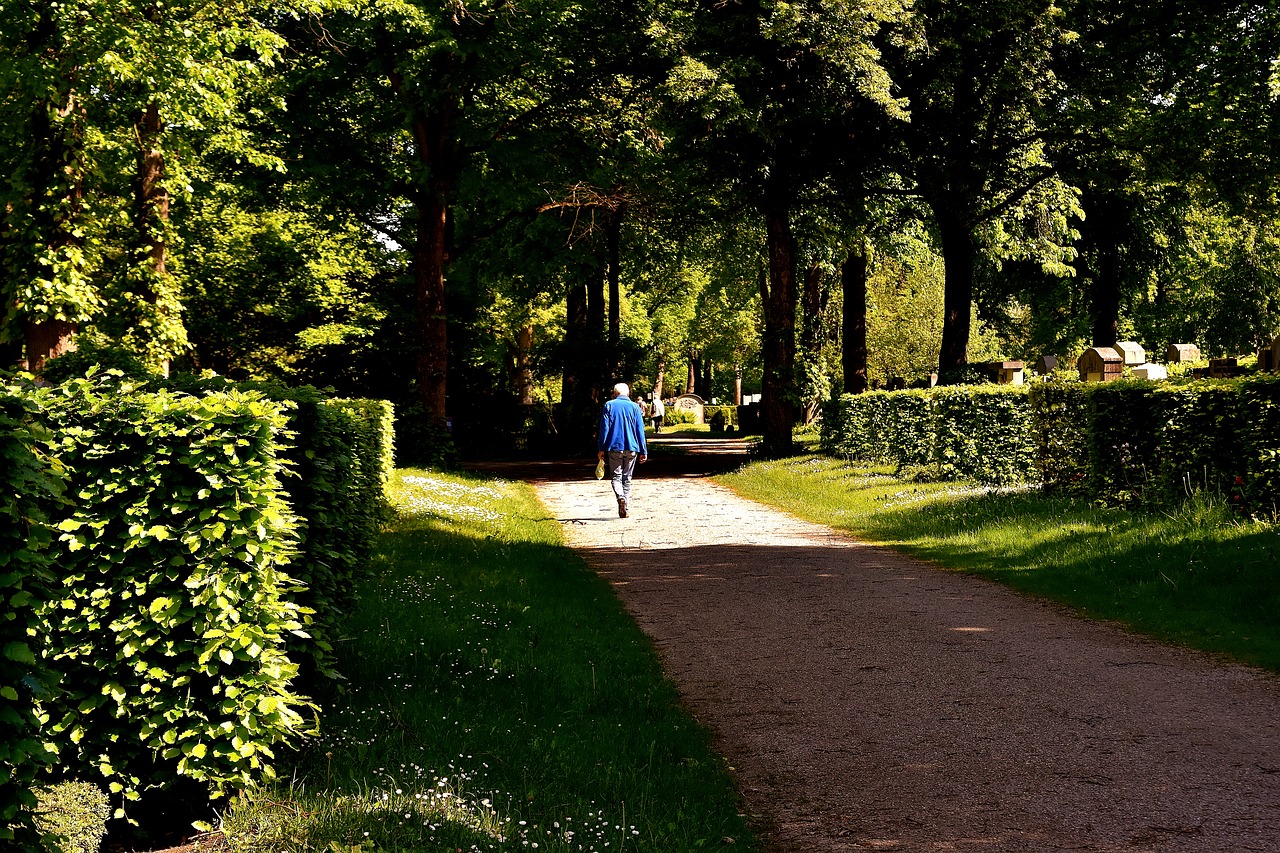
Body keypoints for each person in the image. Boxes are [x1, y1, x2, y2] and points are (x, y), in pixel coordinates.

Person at [597, 382, 648, 518]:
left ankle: (620, 497)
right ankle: (626, 504)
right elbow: (640, 431)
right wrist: (644, 450)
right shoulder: (635, 407)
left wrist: (601, 447)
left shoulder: (609, 405)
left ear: (615, 393)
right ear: (628, 393)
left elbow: (604, 429)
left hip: (614, 446)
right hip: (632, 447)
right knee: (627, 477)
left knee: (616, 476)